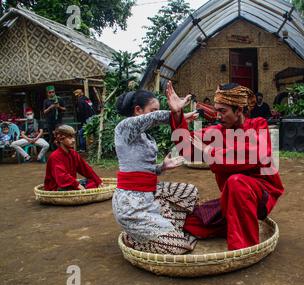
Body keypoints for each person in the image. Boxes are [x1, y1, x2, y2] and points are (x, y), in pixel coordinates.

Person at [168, 81, 285, 251]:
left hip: (261, 195)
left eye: (223, 111)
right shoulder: (218, 130)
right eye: (216, 111)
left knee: (236, 182)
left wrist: (208, 150)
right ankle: (233, 224)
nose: (218, 116)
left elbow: (253, 155)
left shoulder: (259, 125)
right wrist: (177, 114)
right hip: (231, 198)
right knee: (192, 222)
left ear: (238, 110)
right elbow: (187, 148)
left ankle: (244, 250)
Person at [112, 90, 201, 255]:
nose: (155, 114)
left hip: (151, 192)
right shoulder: (123, 129)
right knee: (180, 248)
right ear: (138, 110)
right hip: (131, 204)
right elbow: (152, 119)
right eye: (153, 109)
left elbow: (142, 168)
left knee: (189, 192)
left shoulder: (146, 137)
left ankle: (169, 230)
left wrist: (162, 167)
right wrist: (175, 114)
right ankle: (134, 239)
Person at [44, 125, 103, 191]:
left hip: (71, 184)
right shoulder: (55, 156)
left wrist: (98, 181)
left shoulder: (74, 154)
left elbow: (86, 169)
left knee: (93, 181)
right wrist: (77, 185)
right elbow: (62, 177)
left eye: (73, 137)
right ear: (60, 139)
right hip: (57, 186)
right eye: (70, 138)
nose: (73, 140)